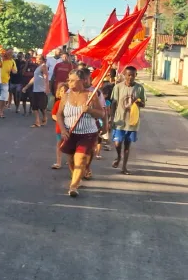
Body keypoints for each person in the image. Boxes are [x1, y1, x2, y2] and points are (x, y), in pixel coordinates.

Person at [57, 69, 104, 197]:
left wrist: (90, 110)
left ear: (82, 81)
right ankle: (76, 178)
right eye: (68, 80)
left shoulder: (91, 95)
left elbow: (101, 113)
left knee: (81, 158)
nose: (69, 83)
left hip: (87, 133)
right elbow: (59, 114)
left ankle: (73, 186)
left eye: (72, 80)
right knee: (71, 159)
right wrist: (62, 130)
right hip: (70, 133)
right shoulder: (66, 95)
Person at [110, 66, 147, 176]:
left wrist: (138, 102)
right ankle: (118, 156)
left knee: (127, 145)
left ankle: (124, 167)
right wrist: (111, 118)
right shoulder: (118, 87)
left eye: (133, 75)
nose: (130, 77)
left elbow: (143, 104)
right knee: (117, 142)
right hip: (119, 120)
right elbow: (113, 103)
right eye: (128, 75)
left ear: (136, 75)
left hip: (132, 121)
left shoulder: (140, 88)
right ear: (124, 75)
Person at [23, 55, 49, 127]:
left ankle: (44, 117)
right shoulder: (38, 67)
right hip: (35, 89)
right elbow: (34, 78)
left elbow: (46, 76)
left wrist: (47, 88)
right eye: (37, 59)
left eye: (39, 59)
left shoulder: (44, 66)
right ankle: (37, 122)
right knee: (35, 107)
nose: (37, 60)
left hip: (42, 90)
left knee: (42, 107)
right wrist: (26, 87)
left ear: (43, 60)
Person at [50, 83, 69, 169]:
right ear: (59, 93)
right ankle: (58, 162)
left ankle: (70, 160)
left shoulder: (71, 103)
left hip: (70, 128)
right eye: (62, 91)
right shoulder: (58, 103)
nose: (64, 92)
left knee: (70, 145)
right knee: (59, 145)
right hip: (59, 129)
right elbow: (53, 115)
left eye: (65, 91)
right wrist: (60, 120)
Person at [0, 51, 18, 118]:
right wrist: (2, 58)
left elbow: (15, 71)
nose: (9, 55)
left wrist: (13, 71)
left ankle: (1, 111)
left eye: (11, 54)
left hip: (5, 81)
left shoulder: (12, 61)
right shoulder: (1, 59)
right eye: (8, 54)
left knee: (4, 98)